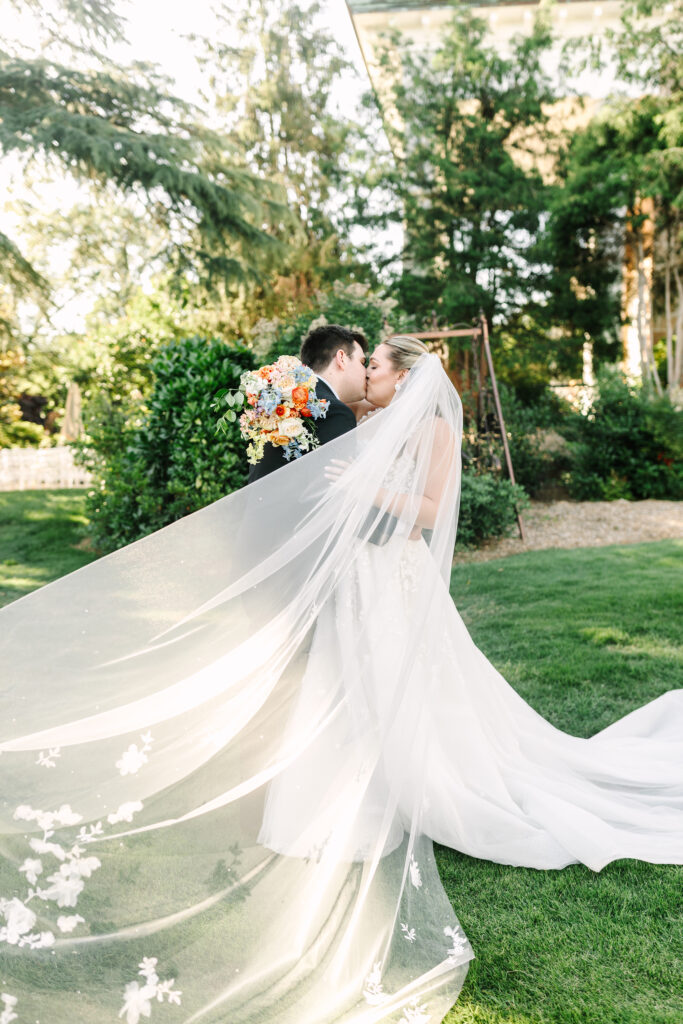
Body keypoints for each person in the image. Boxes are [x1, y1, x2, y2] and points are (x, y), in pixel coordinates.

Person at [0, 336, 680, 1024]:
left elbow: (427, 512)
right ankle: (329, 804)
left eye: (378, 365)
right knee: (344, 686)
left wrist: (366, 486)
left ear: (403, 376)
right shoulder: (357, 423)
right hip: (357, 578)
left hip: (397, 582)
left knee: (408, 690)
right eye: (366, 362)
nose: (369, 373)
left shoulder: (433, 429)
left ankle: (430, 783)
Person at [247, 323, 368, 482]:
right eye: (362, 362)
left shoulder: (281, 401)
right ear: (342, 358)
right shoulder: (335, 412)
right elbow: (332, 493)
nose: (365, 372)